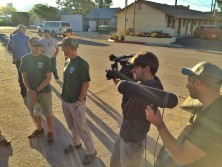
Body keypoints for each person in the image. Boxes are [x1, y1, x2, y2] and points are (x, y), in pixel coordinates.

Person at [145, 61, 222, 167]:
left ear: (198, 84)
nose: (186, 85)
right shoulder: (211, 103)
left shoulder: (213, 120)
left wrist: (159, 125)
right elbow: (192, 126)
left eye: (189, 81)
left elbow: (183, 157)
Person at [110, 51, 164, 167]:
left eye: (136, 67)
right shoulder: (153, 83)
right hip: (126, 135)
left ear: (147, 69)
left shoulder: (144, 91)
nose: (132, 70)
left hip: (131, 141)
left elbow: (127, 112)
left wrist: (125, 88)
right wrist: (124, 83)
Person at [59, 37, 97, 165]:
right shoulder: (67, 61)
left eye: (63, 46)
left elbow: (86, 84)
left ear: (69, 47)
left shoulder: (82, 63)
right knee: (71, 125)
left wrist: (79, 101)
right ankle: (76, 143)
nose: (61, 48)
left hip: (76, 102)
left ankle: (91, 151)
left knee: (82, 127)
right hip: (66, 99)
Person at [20, 37, 54, 145]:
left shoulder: (46, 59)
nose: (38, 48)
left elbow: (48, 78)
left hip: (44, 92)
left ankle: (50, 132)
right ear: (29, 45)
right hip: (32, 93)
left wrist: (36, 90)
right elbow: (24, 77)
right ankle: (39, 129)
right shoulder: (25, 59)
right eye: (35, 45)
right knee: (36, 112)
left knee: (48, 113)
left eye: (39, 45)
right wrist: (30, 91)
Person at [11, 24, 31, 97]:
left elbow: (11, 47)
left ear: (18, 30)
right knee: (27, 75)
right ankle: (29, 89)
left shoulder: (13, 37)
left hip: (18, 59)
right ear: (25, 30)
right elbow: (30, 50)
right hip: (26, 59)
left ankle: (23, 92)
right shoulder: (27, 38)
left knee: (20, 74)